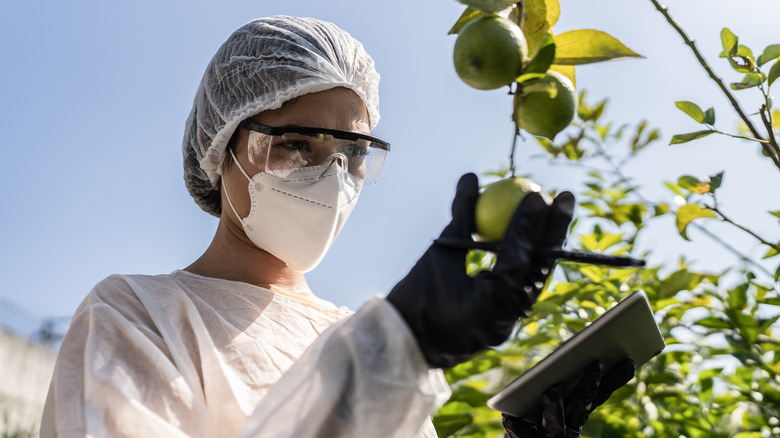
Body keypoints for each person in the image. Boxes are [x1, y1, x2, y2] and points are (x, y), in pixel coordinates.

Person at [41, 15, 633, 438]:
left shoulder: (360, 337)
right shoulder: (138, 316)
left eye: (351, 152)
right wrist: (400, 345)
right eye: (295, 143)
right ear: (220, 149)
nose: (330, 176)